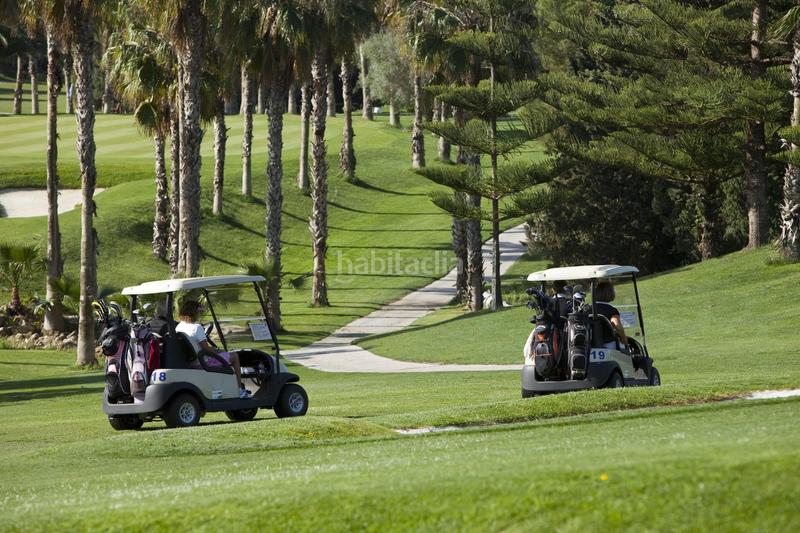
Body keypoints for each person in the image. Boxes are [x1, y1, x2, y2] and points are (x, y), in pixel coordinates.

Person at [176, 300, 251, 399]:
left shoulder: (179, 327)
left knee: (224, 355)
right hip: (203, 362)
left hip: (192, 361)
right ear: (194, 313)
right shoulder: (197, 327)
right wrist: (219, 351)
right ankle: (239, 390)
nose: (200, 314)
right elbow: (206, 349)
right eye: (199, 312)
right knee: (234, 357)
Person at [593, 281, 628, 350]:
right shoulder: (611, 310)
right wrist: (624, 340)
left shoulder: (588, 309)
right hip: (608, 345)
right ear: (610, 293)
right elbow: (618, 326)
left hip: (591, 346)